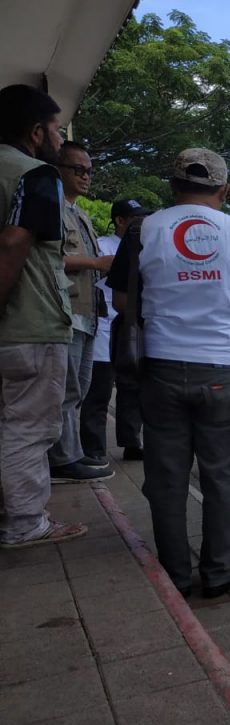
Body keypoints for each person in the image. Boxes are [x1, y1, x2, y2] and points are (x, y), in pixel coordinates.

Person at [108, 148, 230, 598]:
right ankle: (218, 571)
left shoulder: (145, 228)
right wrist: (227, 334)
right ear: (224, 189)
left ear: (173, 186)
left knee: (166, 476)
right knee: (223, 474)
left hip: (160, 368)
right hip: (223, 370)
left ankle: (176, 574)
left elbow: (122, 302)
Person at [0, 84, 88, 548]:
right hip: (29, 324)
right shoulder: (35, 174)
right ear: (36, 132)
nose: (59, 139)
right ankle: (24, 522)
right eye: (56, 130)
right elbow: (16, 242)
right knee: (29, 427)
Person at [47, 142, 115, 483]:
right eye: (78, 169)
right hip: (65, 311)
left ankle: (70, 453)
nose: (86, 176)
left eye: (89, 170)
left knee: (80, 389)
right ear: (57, 168)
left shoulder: (81, 214)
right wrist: (96, 262)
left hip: (89, 314)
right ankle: (62, 459)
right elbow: (47, 259)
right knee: (65, 389)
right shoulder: (51, 208)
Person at [80, 199, 148, 463]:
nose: (141, 223)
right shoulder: (103, 247)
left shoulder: (145, 246)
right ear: (120, 221)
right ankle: (93, 448)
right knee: (99, 392)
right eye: (135, 218)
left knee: (132, 389)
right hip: (103, 325)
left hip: (130, 327)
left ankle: (132, 442)